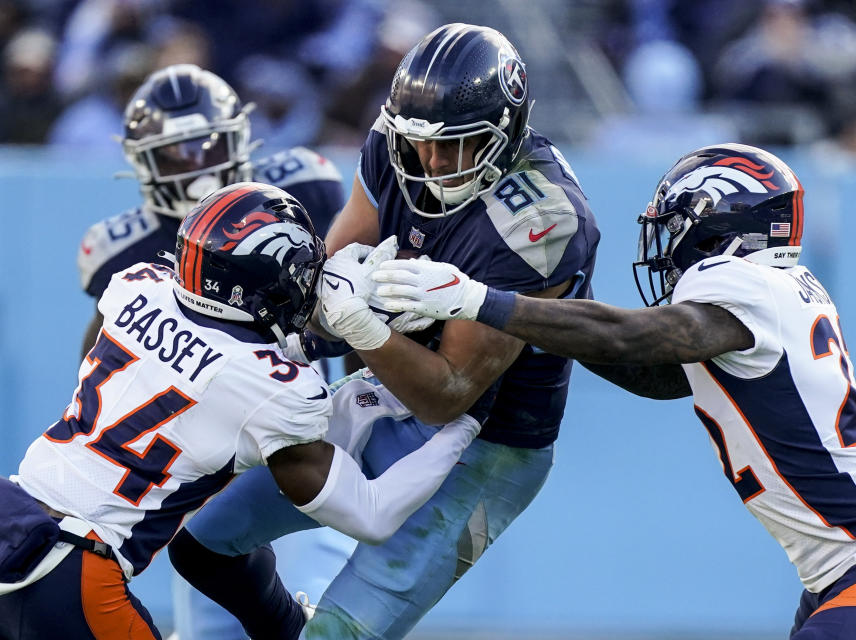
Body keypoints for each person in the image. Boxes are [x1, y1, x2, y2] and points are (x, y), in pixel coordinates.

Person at [371, 143, 856, 639]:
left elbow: (636, 338)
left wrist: (482, 301)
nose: (665, 244)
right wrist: (541, 314)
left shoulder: (739, 282)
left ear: (716, 223)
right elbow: (662, 379)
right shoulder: (779, 292)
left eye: (673, 225)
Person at [166, 23, 601, 640]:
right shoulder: (398, 139)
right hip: (386, 392)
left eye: (458, 145)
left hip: (489, 439)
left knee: (340, 635)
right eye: (419, 142)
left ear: (506, 135)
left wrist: (362, 325)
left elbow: (449, 393)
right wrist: (335, 304)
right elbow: (329, 280)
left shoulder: (541, 220)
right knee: (202, 544)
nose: (431, 161)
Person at [0, 182, 481, 640]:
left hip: (12, 512)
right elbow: (371, 515)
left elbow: (216, 352)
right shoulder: (275, 390)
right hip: (72, 569)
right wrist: (461, 429)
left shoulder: (133, 284)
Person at [72, 63, 360, 640]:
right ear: (142, 161)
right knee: (219, 623)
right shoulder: (118, 252)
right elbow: (98, 361)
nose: (197, 165)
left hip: (298, 433)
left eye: (207, 145)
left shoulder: (302, 185)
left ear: (239, 139)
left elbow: (350, 319)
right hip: (206, 461)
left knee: (324, 608)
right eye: (176, 153)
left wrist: (367, 413)